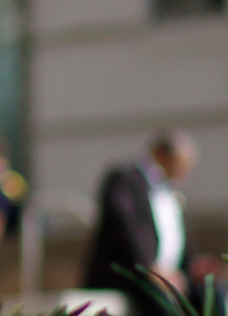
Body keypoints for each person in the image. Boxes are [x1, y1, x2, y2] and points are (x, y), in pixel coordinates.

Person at [83, 128, 196, 315]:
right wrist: (152, 269)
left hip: (169, 275)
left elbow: (174, 235)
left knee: (210, 293)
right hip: (132, 274)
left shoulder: (168, 191)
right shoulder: (124, 179)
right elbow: (123, 227)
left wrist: (193, 265)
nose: (182, 175)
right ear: (161, 154)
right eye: (179, 166)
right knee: (165, 307)